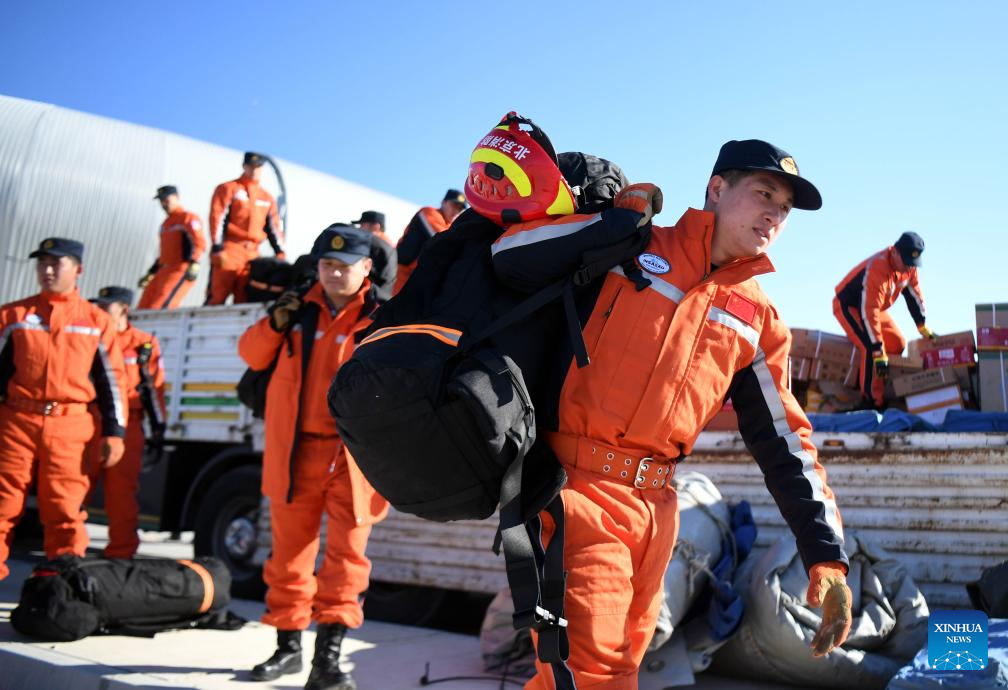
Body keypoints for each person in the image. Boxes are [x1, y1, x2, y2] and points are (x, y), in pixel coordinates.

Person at [498, 140, 852, 689]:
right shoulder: (630, 245)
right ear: (716, 189)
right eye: (764, 194)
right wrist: (603, 228)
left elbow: (786, 442)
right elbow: (508, 257)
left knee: (604, 674)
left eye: (783, 208)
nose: (773, 215)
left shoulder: (756, 320)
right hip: (575, 494)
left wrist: (826, 556)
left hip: (659, 512)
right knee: (594, 675)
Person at [238, 225, 388, 689]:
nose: (335, 273)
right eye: (327, 265)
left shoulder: (384, 316)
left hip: (354, 458)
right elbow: (250, 353)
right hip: (297, 452)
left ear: (367, 268)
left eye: (345, 267)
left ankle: (327, 660)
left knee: (347, 560)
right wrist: (275, 322)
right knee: (289, 557)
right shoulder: (295, 312)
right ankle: (287, 649)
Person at [0, 238, 127, 619]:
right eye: (42, 263)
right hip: (15, 421)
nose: (47, 270)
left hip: (71, 425)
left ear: (77, 269)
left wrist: (115, 431)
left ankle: (61, 586)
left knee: (65, 511)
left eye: (56, 263)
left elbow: (112, 380)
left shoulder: (96, 322)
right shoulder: (13, 315)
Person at [86, 286, 166, 559]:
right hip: (88, 419)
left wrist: (158, 429)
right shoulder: (91, 336)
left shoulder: (143, 343)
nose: (98, 311)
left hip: (129, 425)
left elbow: (155, 389)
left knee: (122, 496)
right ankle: (65, 555)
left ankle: (120, 557)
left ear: (123, 309)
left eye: (104, 306)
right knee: (72, 491)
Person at [833, 232, 934, 408]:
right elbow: (868, 312)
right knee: (871, 347)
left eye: (912, 264)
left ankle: (884, 387)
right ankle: (871, 401)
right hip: (850, 307)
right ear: (895, 252)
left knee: (897, 343)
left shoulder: (908, 267)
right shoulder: (877, 269)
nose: (908, 268)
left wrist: (922, 324)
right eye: (906, 263)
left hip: (874, 308)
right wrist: (879, 351)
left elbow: (914, 293)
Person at [206, 152, 285, 305]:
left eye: (258, 167)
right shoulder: (228, 189)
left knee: (245, 299)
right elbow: (217, 217)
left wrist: (280, 252)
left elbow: (274, 227)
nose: (254, 170)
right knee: (217, 295)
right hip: (230, 250)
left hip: (253, 255)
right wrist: (217, 247)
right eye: (251, 166)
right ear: (244, 166)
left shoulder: (266, 198)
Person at [137, 185, 206, 309]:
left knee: (159, 307)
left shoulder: (187, 218)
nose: (164, 204)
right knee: (143, 307)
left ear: (177, 198)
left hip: (179, 269)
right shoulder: (165, 224)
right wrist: (151, 272)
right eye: (161, 201)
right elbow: (165, 252)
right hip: (162, 270)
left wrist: (195, 263)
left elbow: (199, 242)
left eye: (166, 200)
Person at [393, 188, 466, 293]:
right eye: (454, 205)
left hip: (419, 279)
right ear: (443, 202)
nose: (456, 211)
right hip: (401, 273)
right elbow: (442, 238)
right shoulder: (429, 212)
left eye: (460, 209)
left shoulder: (450, 227)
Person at [350, 211, 397, 301]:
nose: (359, 229)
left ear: (376, 226)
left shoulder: (375, 245)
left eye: (362, 225)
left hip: (368, 299)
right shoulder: (390, 246)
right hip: (381, 298)